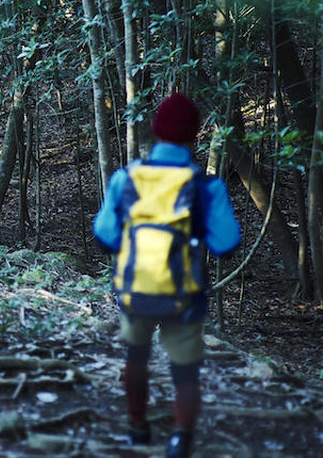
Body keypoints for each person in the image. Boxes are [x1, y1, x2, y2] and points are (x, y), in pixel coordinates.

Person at [93, 92, 241, 458]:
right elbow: (226, 243)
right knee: (185, 372)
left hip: (136, 290)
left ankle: (138, 431)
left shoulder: (125, 179)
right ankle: (180, 440)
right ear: (195, 137)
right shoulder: (206, 187)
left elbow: (105, 236)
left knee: (136, 357)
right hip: (184, 295)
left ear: (155, 132)